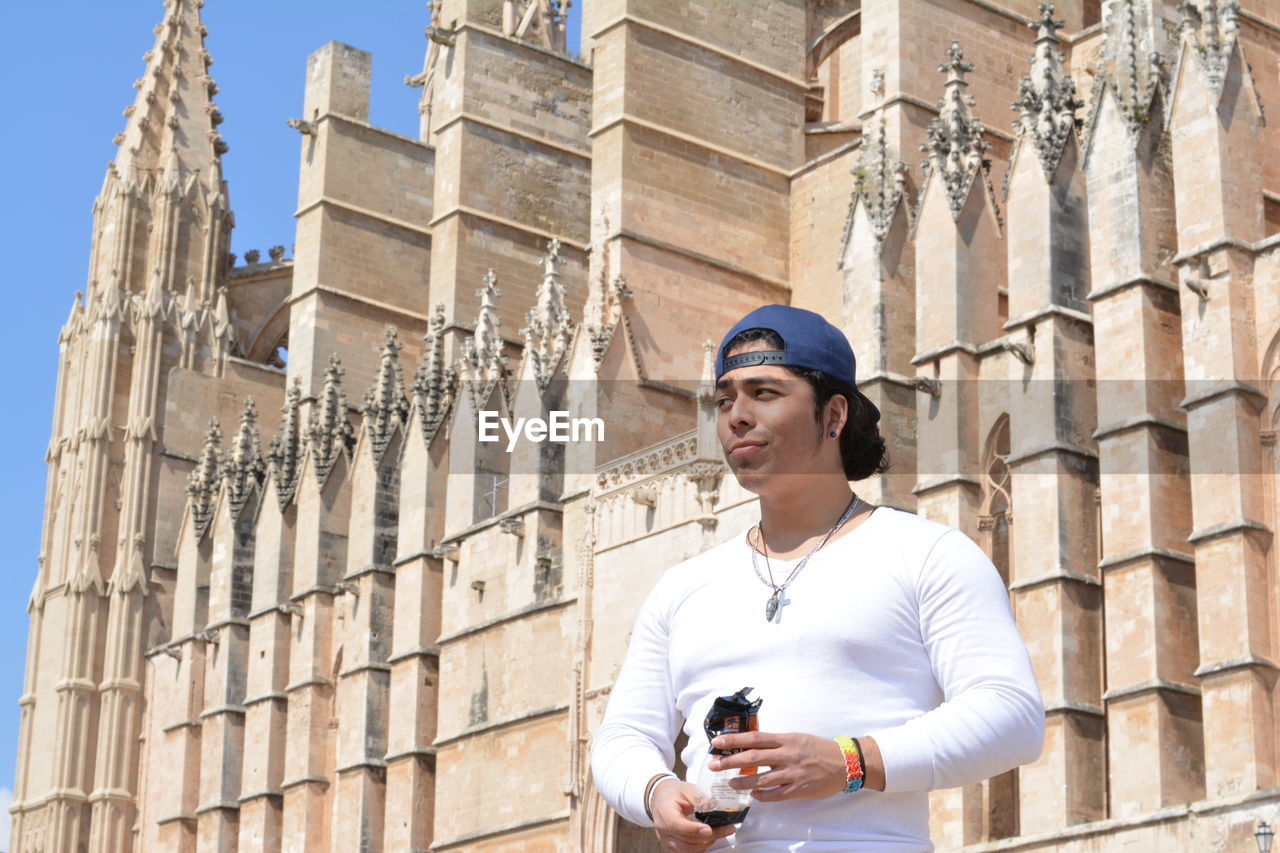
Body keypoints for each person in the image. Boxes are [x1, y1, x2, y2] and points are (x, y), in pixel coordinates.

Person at [589, 304, 1045, 852]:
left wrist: (850, 761)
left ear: (834, 416)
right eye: (725, 398)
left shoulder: (927, 554)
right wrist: (656, 790)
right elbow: (623, 736)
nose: (736, 415)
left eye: (764, 393)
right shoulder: (681, 587)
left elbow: (1011, 715)